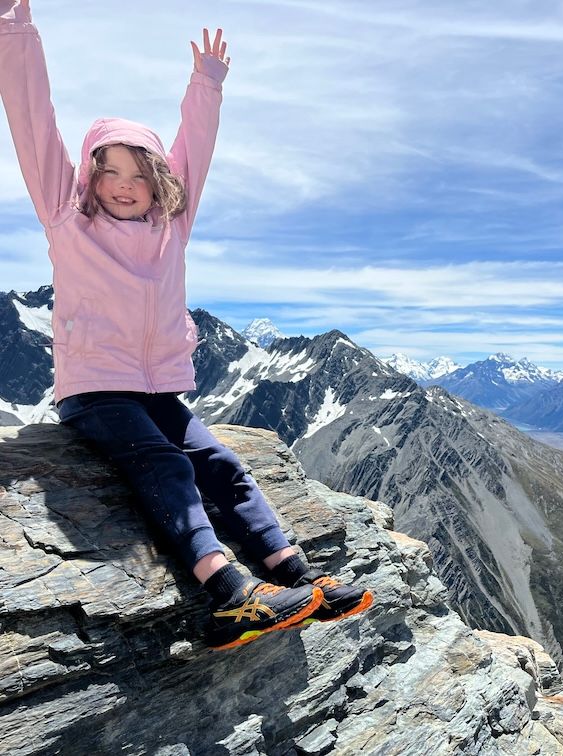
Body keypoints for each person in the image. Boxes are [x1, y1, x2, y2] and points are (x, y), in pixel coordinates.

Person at [0, 0, 372, 651]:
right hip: (94, 390)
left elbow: (193, 150)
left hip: (156, 388)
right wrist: (13, 29)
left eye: (139, 172)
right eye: (107, 168)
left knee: (219, 463)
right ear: (87, 174)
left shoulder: (172, 226)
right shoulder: (68, 216)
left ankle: (296, 576)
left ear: (158, 182)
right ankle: (227, 592)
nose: (122, 183)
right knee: (165, 462)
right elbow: (33, 119)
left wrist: (206, 86)